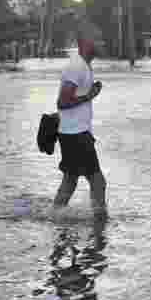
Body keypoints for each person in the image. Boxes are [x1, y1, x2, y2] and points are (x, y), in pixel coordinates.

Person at [53, 30, 107, 219]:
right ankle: (100, 221)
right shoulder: (77, 67)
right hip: (76, 135)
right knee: (98, 181)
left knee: (70, 180)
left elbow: (69, 100)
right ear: (86, 42)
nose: (102, 43)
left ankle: (55, 215)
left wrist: (89, 93)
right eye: (98, 39)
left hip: (73, 132)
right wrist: (89, 96)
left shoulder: (83, 66)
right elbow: (62, 101)